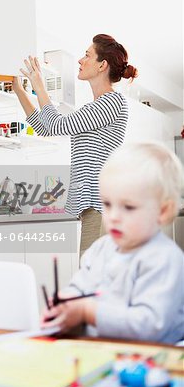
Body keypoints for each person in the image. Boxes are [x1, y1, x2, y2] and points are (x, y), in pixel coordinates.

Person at [42, 142, 184, 343]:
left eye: (128, 207)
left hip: (151, 361)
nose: (114, 216)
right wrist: (65, 303)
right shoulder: (100, 248)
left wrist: (85, 311)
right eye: (107, 204)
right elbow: (79, 287)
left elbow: (149, 327)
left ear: (163, 211)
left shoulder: (164, 258)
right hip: (103, 351)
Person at [13, 34, 138, 258]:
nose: (80, 60)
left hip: (103, 207)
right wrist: (19, 91)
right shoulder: (94, 108)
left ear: (102, 65)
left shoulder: (111, 103)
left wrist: (39, 84)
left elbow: (56, 124)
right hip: (95, 208)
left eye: (87, 55)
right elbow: (46, 128)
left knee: (93, 281)